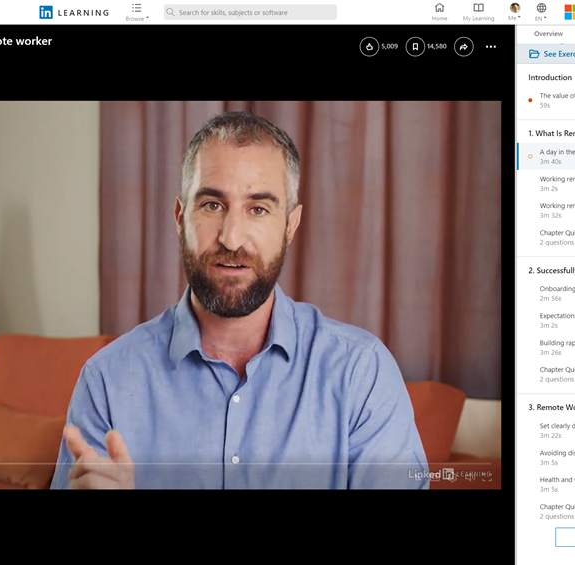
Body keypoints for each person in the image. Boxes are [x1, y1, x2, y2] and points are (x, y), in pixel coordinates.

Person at [50, 111, 429, 489]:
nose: (231, 239)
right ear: (180, 217)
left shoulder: (361, 372)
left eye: (258, 209)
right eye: (212, 205)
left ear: (290, 225)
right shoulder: (107, 380)